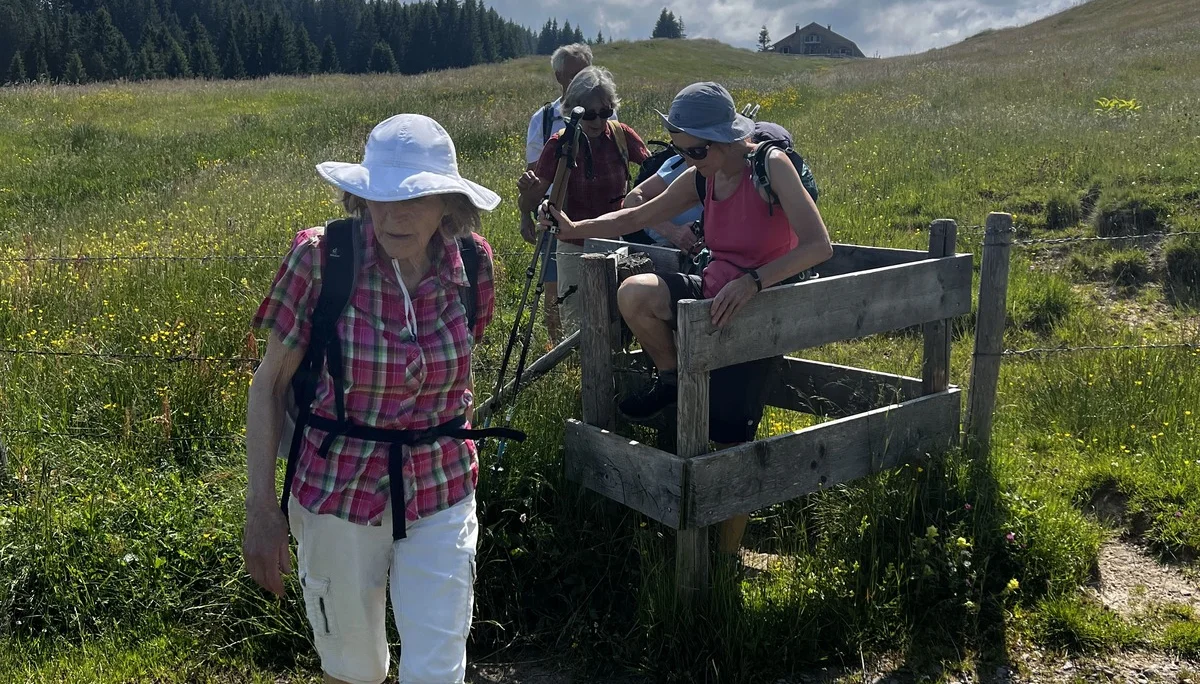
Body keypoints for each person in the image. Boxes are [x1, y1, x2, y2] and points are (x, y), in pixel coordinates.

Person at [243, 114, 511, 684]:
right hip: (337, 487)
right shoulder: (323, 260)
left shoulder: (474, 264)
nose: (393, 214)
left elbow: (461, 369)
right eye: (379, 196)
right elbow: (268, 384)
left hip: (441, 483)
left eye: (414, 197)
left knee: (438, 669)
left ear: (448, 204)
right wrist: (261, 511)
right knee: (353, 667)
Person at [537, 82, 833, 557]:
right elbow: (636, 214)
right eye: (682, 150)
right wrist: (575, 229)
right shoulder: (703, 175)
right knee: (634, 294)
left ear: (724, 140)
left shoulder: (771, 167)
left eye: (695, 150)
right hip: (712, 294)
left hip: (759, 311)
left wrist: (753, 282)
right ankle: (673, 378)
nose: (689, 160)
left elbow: (819, 245)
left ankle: (725, 556)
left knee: (732, 436)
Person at [519, 65, 649, 331]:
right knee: (577, 323)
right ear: (573, 111)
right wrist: (526, 198)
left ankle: (615, 369)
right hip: (572, 245)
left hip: (616, 240)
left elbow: (655, 170)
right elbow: (531, 200)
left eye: (605, 112)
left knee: (617, 319)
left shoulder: (621, 136)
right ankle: (577, 370)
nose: (599, 122)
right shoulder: (560, 144)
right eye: (590, 114)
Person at [518, 43, 616, 342]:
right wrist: (526, 213)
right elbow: (535, 176)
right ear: (559, 76)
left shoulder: (604, 114)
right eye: (573, 75)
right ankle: (558, 349)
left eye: (584, 73)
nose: (580, 81)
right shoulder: (545, 119)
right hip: (556, 211)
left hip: (601, 215)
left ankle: (597, 346)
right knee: (553, 284)